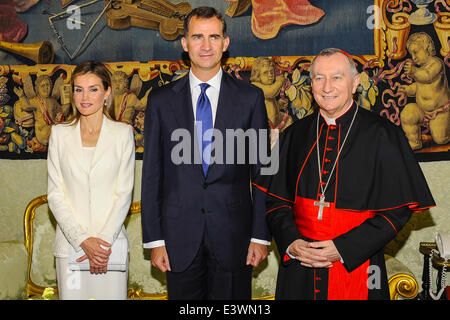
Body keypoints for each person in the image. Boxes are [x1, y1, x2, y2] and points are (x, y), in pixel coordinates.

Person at [253, 48, 435, 300]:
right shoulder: (295, 134)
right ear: (311, 84)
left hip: (358, 264)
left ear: (355, 83)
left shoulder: (383, 135)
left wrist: (342, 248)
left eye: (337, 77)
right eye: (319, 78)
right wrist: (292, 242)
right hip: (300, 266)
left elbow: (396, 211)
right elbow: (275, 201)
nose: (327, 87)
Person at [141, 6, 271, 300]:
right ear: (185, 44)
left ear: (225, 44)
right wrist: (155, 240)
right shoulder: (160, 101)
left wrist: (260, 235)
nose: (206, 45)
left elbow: (263, 172)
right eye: (197, 37)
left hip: (234, 238)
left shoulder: (250, 98)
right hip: (177, 239)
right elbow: (152, 175)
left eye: (214, 37)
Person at [47, 61, 135, 300]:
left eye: (93, 89)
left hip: (110, 249)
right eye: (78, 89)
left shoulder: (122, 134)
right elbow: (55, 195)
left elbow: (123, 195)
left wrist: (101, 245)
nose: (84, 97)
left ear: (107, 92)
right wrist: (82, 240)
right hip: (70, 247)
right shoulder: (59, 134)